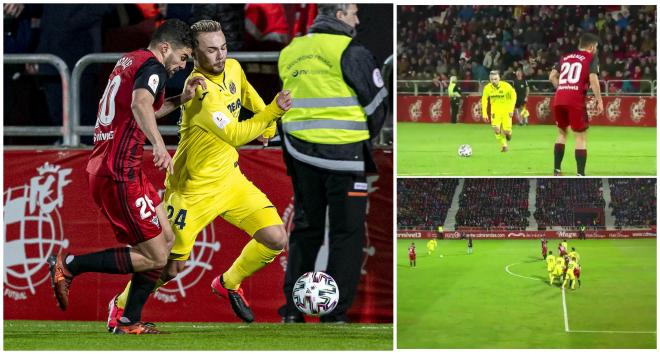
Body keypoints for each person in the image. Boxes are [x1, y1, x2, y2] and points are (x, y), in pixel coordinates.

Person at [105, 20, 293, 329]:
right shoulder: (201, 90)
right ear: (195, 55)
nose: (220, 56)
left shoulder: (232, 67)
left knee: (275, 238)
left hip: (230, 180)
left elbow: (247, 95)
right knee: (169, 268)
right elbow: (234, 133)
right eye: (211, 50)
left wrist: (267, 124)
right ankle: (121, 304)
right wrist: (273, 113)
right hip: (191, 189)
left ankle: (228, 283)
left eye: (223, 48)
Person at [48, 19, 203, 335]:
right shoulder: (155, 68)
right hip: (118, 173)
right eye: (184, 57)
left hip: (124, 168)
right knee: (156, 256)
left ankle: (129, 321)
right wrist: (159, 145)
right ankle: (70, 266)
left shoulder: (131, 59)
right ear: (165, 48)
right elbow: (140, 103)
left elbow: (140, 108)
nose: (183, 66)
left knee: (168, 242)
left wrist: (180, 100)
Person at [277, 3, 388, 323]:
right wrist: (364, 139)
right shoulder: (351, 51)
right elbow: (377, 104)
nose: (357, 19)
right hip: (344, 157)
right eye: (353, 13)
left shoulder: (291, 50)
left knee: (305, 230)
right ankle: (333, 313)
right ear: (339, 16)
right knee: (346, 234)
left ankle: (293, 311)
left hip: (299, 154)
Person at [549, 32, 603, 176]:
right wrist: (599, 100)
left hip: (559, 98)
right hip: (575, 100)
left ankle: (556, 170)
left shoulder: (565, 57)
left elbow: (552, 76)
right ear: (591, 47)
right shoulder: (591, 57)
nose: (596, 49)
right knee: (580, 136)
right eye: (596, 47)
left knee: (561, 133)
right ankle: (580, 174)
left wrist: (562, 88)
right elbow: (593, 79)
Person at [481, 70, 516, 152]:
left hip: (506, 111)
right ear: (490, 79)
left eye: (495, 79)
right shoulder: (487, 88)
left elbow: (513, 96)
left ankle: (509, 133)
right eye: (492, 79)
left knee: (506, 131)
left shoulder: (506, 86)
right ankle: (504, 145)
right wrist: (484, 114)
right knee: (496, 129)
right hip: (495, 112)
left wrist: (511, 109)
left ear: (499, 78)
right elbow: (484, 101)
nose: (494, 81)